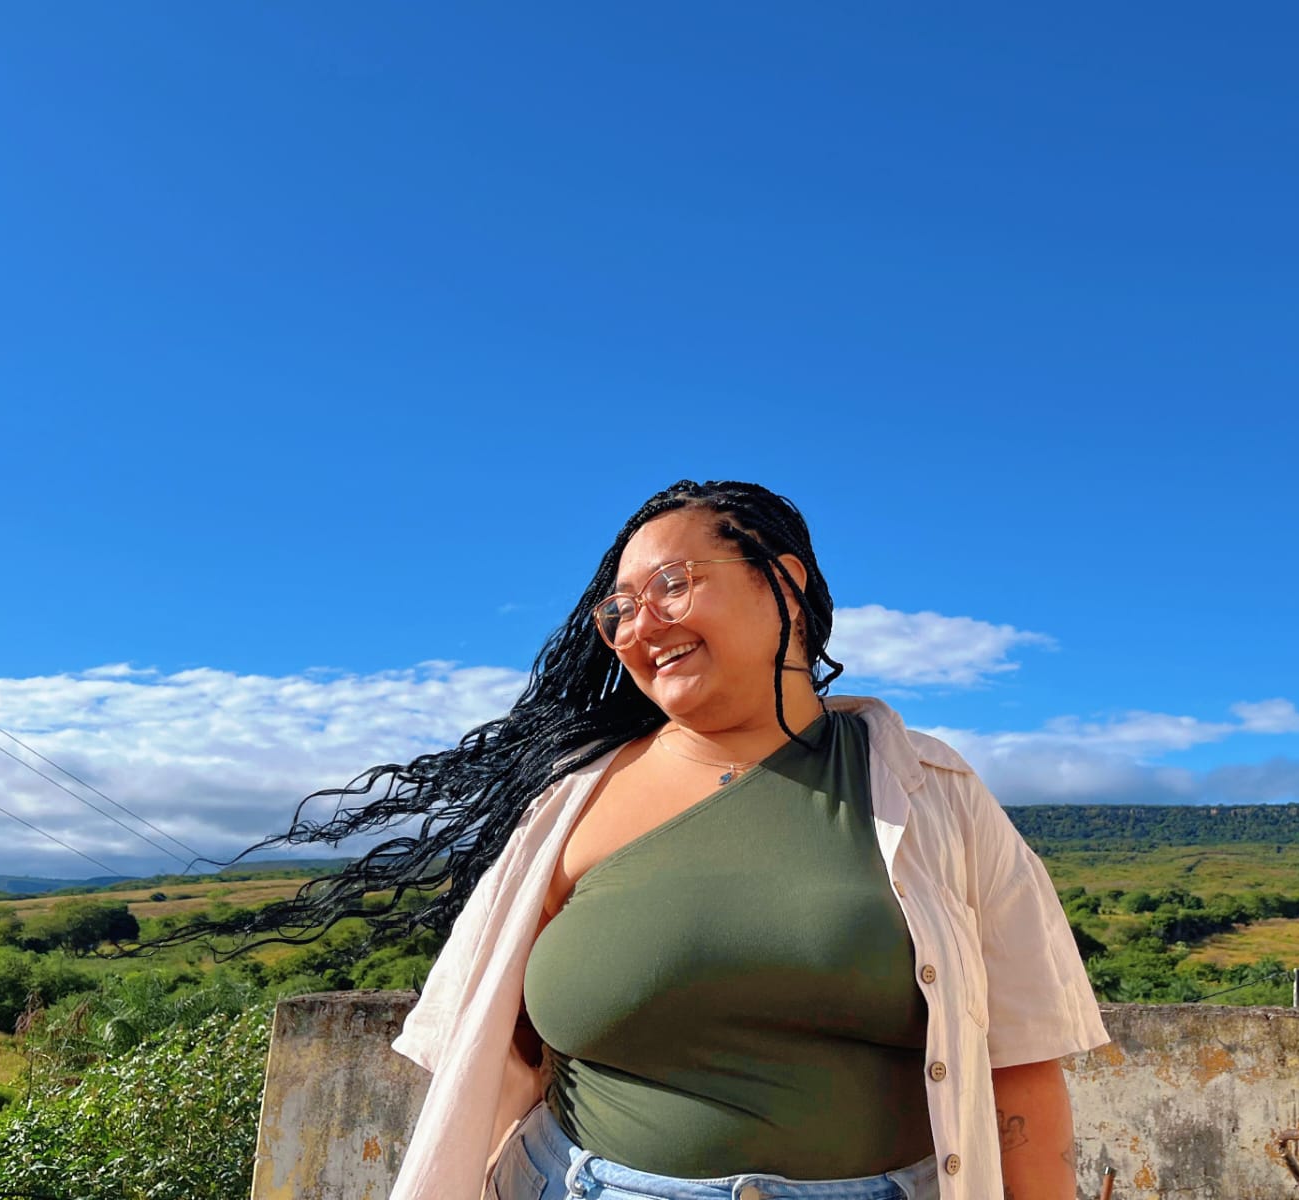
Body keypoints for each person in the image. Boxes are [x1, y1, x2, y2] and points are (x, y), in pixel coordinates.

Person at [249, 479, 1107, 1200]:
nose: (639, 625)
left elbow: (1021, 1064)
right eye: (618, 610)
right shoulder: (569, 806)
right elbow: (499, 1038)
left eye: (671, 585)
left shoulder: (934, 792)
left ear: (784, 584)